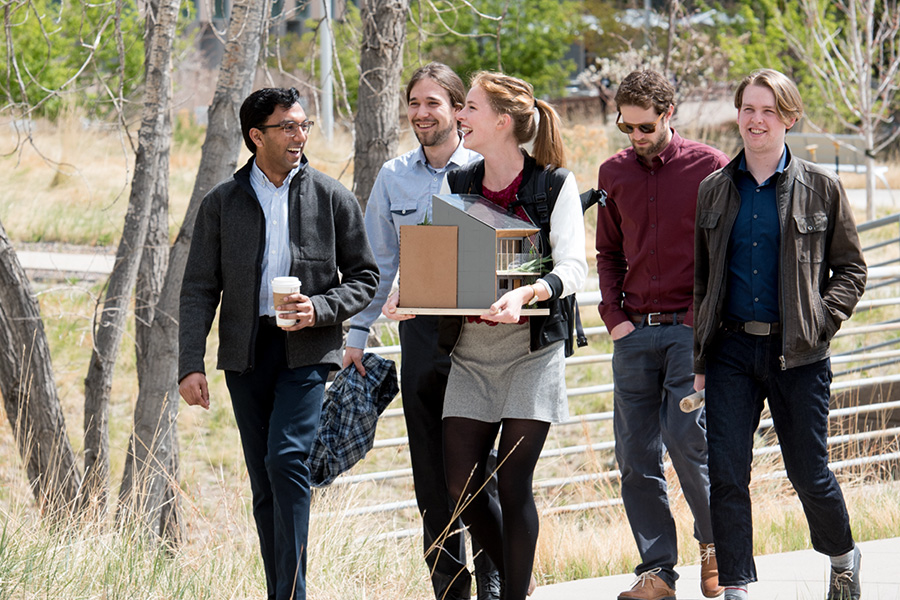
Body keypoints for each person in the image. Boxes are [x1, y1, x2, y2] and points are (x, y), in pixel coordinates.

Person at [385, 71, 587, 600]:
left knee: (515, 483)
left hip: (529, 355)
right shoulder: (460, 184)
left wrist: (526, 294)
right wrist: (405, 290)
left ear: (501, 121)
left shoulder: (554, 185)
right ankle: (520, 573)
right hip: (471, 355)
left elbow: (573, 268)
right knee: (462, 487)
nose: (461, 117)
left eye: (469, 108)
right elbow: (442, 256)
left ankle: (514, 594)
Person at [178, 87, 378, 600]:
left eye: (303, 125)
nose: (299, 135)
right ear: (255, 136)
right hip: (245, 355)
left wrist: (320, 309)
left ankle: (293, 593)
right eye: (287, 126)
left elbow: (365, 277)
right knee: (265, 482)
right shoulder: (221, 203)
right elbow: (200, 287)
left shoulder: (332, 196)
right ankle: (281, 592)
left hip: (307, 351)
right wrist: (189, 364)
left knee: (287, 459)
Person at [693, 69, 867, 600]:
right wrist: (700, 359)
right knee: (725, 474)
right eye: (748, 108)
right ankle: (739, 588)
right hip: (729, 350)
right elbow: (703, 279)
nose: (756, 119)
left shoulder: (822, 187)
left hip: (800, 355)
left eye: (768, 110)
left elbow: (851, 270)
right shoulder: (714, 190)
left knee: (809, 472)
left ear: (788, 118)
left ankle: (842, 556)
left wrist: (820, 319)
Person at [343, 62, 502, 600]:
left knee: (482, 468)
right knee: (430, 474)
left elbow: (512, 254)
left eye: (432, 102)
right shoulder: (393, 176)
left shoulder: (489, 167)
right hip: (419, 339)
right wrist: (358, 334)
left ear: (459, 109)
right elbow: (378, 263)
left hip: (481, 338)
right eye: (414, 102)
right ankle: (449, 590)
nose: (421, 113)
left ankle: (495, 581)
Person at [595, 69, 729, 600]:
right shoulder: (613, 172)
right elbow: (607, 252)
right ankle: (657, 573)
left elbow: (723, 255)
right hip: (633, 335)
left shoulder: (710, 166)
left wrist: (701, 322)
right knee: (634, 456)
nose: (635, 136)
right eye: (626, 127)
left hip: (688, 333)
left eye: (644, 126)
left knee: (686, 440)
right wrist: (615, 320)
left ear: (668, 113)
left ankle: (716, 544)